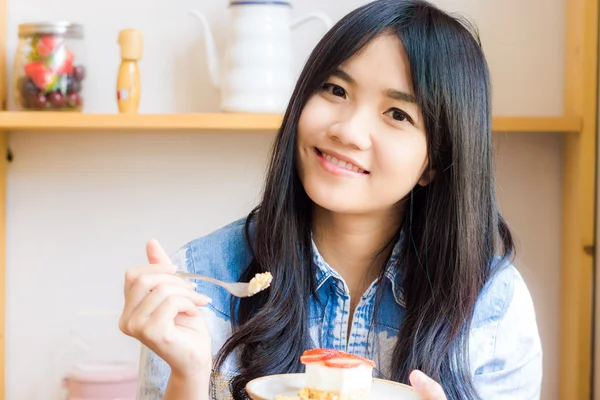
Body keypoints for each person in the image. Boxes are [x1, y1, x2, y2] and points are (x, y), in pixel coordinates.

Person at [118, 0, 543, 399]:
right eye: (336, 90)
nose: (347, 130)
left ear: (436, 162)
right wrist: (188, 377)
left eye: (398, 114)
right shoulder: (201, 281)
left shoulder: (492, 308)